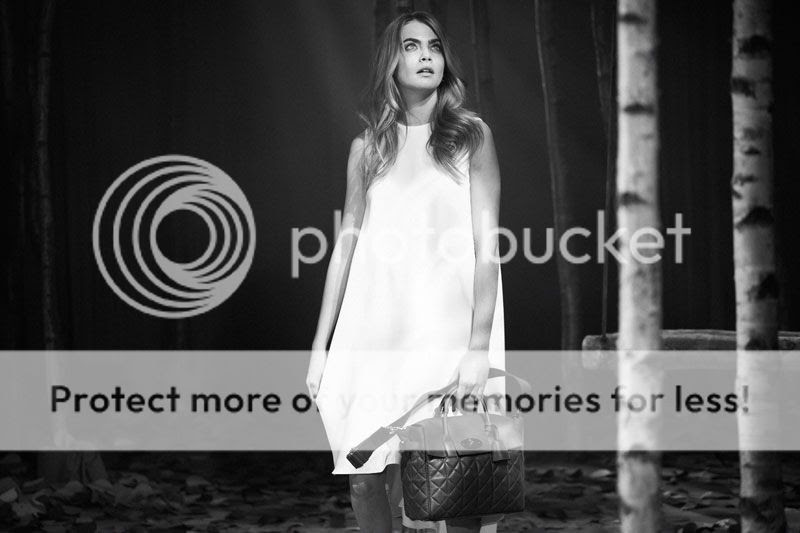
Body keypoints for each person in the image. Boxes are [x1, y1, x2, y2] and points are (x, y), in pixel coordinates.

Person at [308, 11, 505, 533]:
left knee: (454, 484)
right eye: (411, 46)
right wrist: (320, 346)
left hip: (446, 330)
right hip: (372, 332)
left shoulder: (471, 136)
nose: (425, 56)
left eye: (434, 46)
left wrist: (479, 347)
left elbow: (487, 247)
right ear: (390, 63)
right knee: (362, 473)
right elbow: (345, 248)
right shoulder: (367, 148)